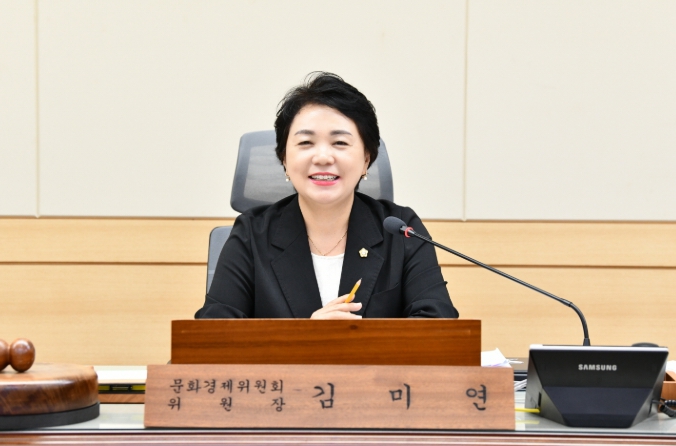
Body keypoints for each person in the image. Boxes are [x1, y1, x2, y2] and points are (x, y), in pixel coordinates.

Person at [195, 72, 458, 319]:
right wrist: (306, 339)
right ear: (284, 159)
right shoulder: (252, 234)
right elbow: (215, 334)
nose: (323, 157)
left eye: (340, 143)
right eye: (306, 143)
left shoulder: (400, 231)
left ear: (366, 159)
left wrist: (348, 341)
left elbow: (438, 325)